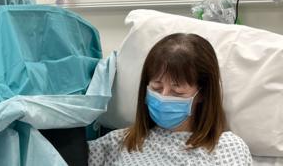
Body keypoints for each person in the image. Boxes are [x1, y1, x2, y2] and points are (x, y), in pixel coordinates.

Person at [88, 33, 252, 165]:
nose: (163, 97)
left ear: (202, 94)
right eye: (157, 88)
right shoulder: (120, 142)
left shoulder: (227, 148)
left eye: (177, 92)